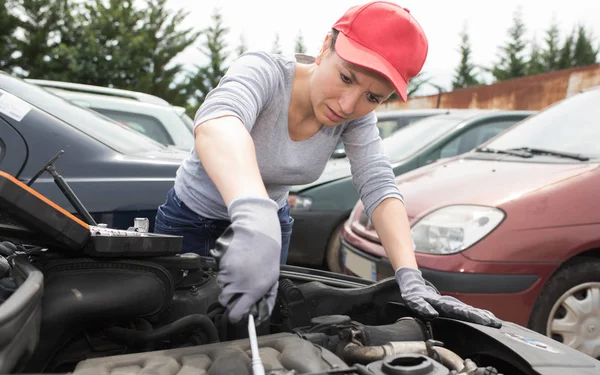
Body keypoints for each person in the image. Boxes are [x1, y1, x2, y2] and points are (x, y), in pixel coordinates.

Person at [155, 1, 503, 328]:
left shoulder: (355, 118)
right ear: (325, 48)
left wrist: (409, 274)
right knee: (182, 326)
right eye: (346, 77)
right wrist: (253, 209)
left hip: (271, 226)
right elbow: (219, 123)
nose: (349, 104)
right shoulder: (265, 72)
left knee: (252, 325)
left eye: (373, 97)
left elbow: (379, 185)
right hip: (194, 220)